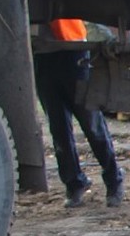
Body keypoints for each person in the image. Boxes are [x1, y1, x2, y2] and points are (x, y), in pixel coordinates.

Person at [33, 19, 124, 208]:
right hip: (42, 56)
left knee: (91, 123)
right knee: (58, 129)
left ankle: (114, 179)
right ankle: (74, 183)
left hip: (72, 51)